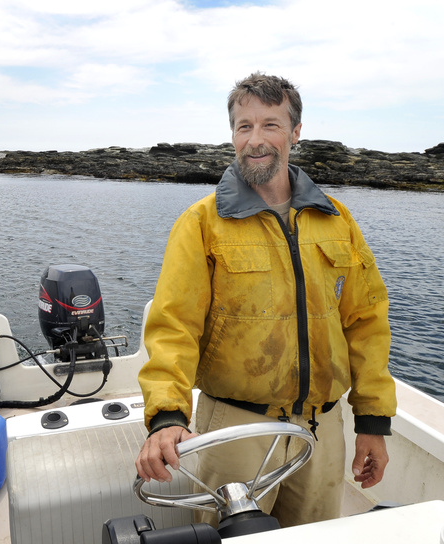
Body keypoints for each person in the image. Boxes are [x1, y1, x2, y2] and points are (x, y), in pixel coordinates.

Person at [135, 72, 396, 528]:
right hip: (236, 428)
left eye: (270, 125)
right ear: (233, 135)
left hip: (322, 429)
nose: (255, 140)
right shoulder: (201, 222)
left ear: (295, 132)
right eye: (244, 126)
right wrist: (167, 415)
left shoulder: (337, 220)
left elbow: (366, 322)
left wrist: (372, 422)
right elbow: (174, 324)